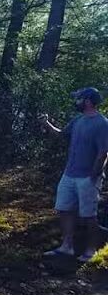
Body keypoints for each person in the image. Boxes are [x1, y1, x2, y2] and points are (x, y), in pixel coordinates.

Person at [40, 87, 108, 262]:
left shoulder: (102, 123)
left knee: (88, 216)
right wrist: (46, 124)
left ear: (87, 101)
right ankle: (67, 246)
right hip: (69, 174)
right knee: (64, 209)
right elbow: (62, 134)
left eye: (78, 99)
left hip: (88, 177)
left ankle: (91, 250)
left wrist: (95, 174)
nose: (75, 101)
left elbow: (103, 152)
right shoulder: (77, 120)